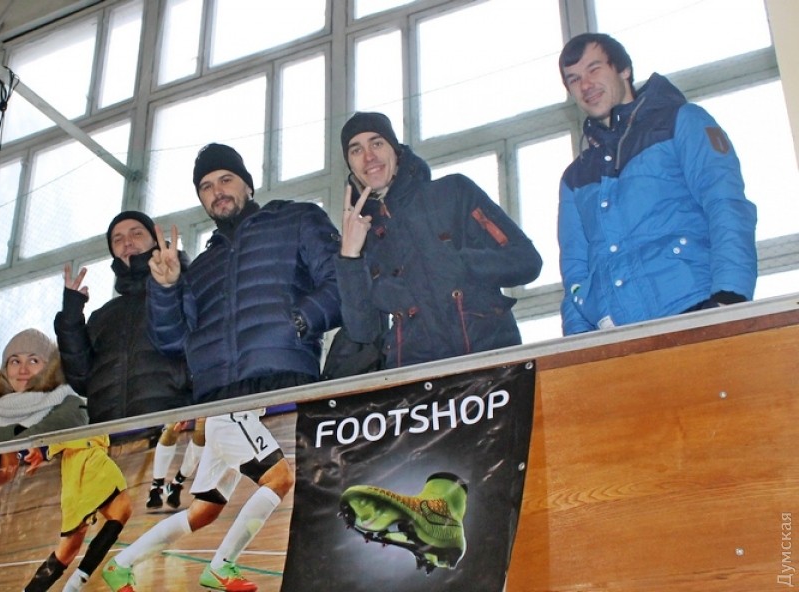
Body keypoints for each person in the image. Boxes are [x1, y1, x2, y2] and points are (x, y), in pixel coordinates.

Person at [102, 143, 342, 592]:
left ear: (247, 184)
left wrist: (298, 321)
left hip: (280, 386)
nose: (217, 191)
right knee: (279, 478)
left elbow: (340, 281)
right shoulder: (201, 266)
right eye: (206, 186)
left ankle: (121, 564)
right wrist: (166, 288)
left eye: (226, 179)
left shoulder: (295, 219)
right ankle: (220, 567)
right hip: (223, 403)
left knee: (204, 511)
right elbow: (172, 339)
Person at [556, 33, 757, 335]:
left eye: (594, 69)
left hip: (697, 310)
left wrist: (730, 298)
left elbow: (725, 205)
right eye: (574, 79)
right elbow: (575, 272)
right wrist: (578, 343)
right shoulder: (574, 178)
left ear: (624, 69)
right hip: (619, 337)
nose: (586, 85)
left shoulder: (682, 122)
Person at [336, 112, 542, 368]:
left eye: (377, 143)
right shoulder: (361, 235)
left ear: (395, 150)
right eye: (356, 150)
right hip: (415, 376)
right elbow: (363, 331)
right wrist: (350, 258)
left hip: (491, 363)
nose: (369, 157)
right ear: (350, 165)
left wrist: (460, 263)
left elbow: (526, 261)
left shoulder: (453, 192)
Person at [0, 329, 131, 592]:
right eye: (14, 361)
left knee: (120, 511)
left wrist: (39, 449)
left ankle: (76, 584)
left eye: (33, 360)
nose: (23, 369)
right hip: (78, 472)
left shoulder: (70, 401)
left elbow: (54, 428)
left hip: (92, 461)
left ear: (50, 367)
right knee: (69, 547)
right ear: (4, 370)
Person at [52, 211, 199, 508]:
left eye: (136, 233)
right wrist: (71, 317)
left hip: (169, 437)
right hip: (110, 447)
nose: (127, 242)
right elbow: (81, 379)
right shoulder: (104, 315)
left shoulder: (186, 290)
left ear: (157, 241)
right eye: (117, 239)